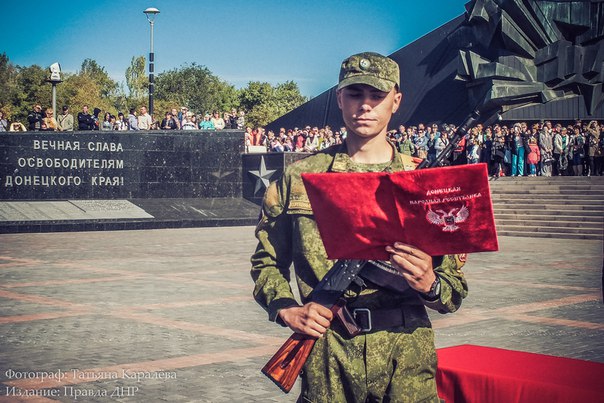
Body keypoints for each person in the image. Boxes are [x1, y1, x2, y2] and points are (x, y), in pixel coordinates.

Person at [251, 52, 468, 402]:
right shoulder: (301, 178)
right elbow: (266, 262)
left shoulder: (426, 185)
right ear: (339, 98)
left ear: (395, 101)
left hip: (406, 360)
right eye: (354, 95)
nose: (365, 106)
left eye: (376, 96)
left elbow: (453, 292)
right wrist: (285, 307)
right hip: (329, 357)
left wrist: (430, 283)